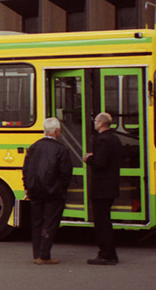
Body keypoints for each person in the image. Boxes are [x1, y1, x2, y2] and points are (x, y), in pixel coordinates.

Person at [22, 117, 72, 265]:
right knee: (49, 222)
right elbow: (66, 173)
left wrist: (27, 187)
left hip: (35, 190)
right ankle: (44, 255)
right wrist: (62, 188)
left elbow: (26, 169)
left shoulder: (34, 146)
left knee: (36, 222)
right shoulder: (61, 149)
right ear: (56, 131)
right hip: (53, 192)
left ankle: (36, 253)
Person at [83, 112, 122, 266]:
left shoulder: (102, 140)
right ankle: (109, 253)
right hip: (111, 186)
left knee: (102, 223)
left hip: (101, 188)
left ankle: (107, 254)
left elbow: (100, 162)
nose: (94, 122)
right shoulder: (115, 139)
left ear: (101, 123)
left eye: (96, 121)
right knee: (105, 220)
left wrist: (89, 158)